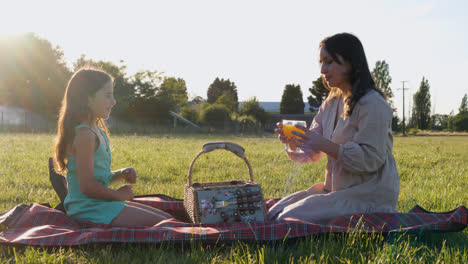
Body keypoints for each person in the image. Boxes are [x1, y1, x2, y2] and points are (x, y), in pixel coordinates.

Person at [267, 33, 400, 223]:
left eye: (329, 62)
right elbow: (312, 153)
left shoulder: (373, 104)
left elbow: (370, 160)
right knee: (274, 212)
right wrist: (295, 142)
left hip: (368, 196)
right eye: (321, 62)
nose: (322, 69)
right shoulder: (331, 102)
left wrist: (321, 143)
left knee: (287, 218)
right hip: (336, 190)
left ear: (350, 62)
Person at [54, 68, 172, 227]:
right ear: (88, 99)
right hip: (88, 209)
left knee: (167, 218)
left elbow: (99, 178)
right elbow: (87, 186)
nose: (114, 101)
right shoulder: (84, 135)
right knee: (166, 225)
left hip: (100, 203)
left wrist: (121, 174)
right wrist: (118, 195)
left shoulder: (97, 131)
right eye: (108, 95)